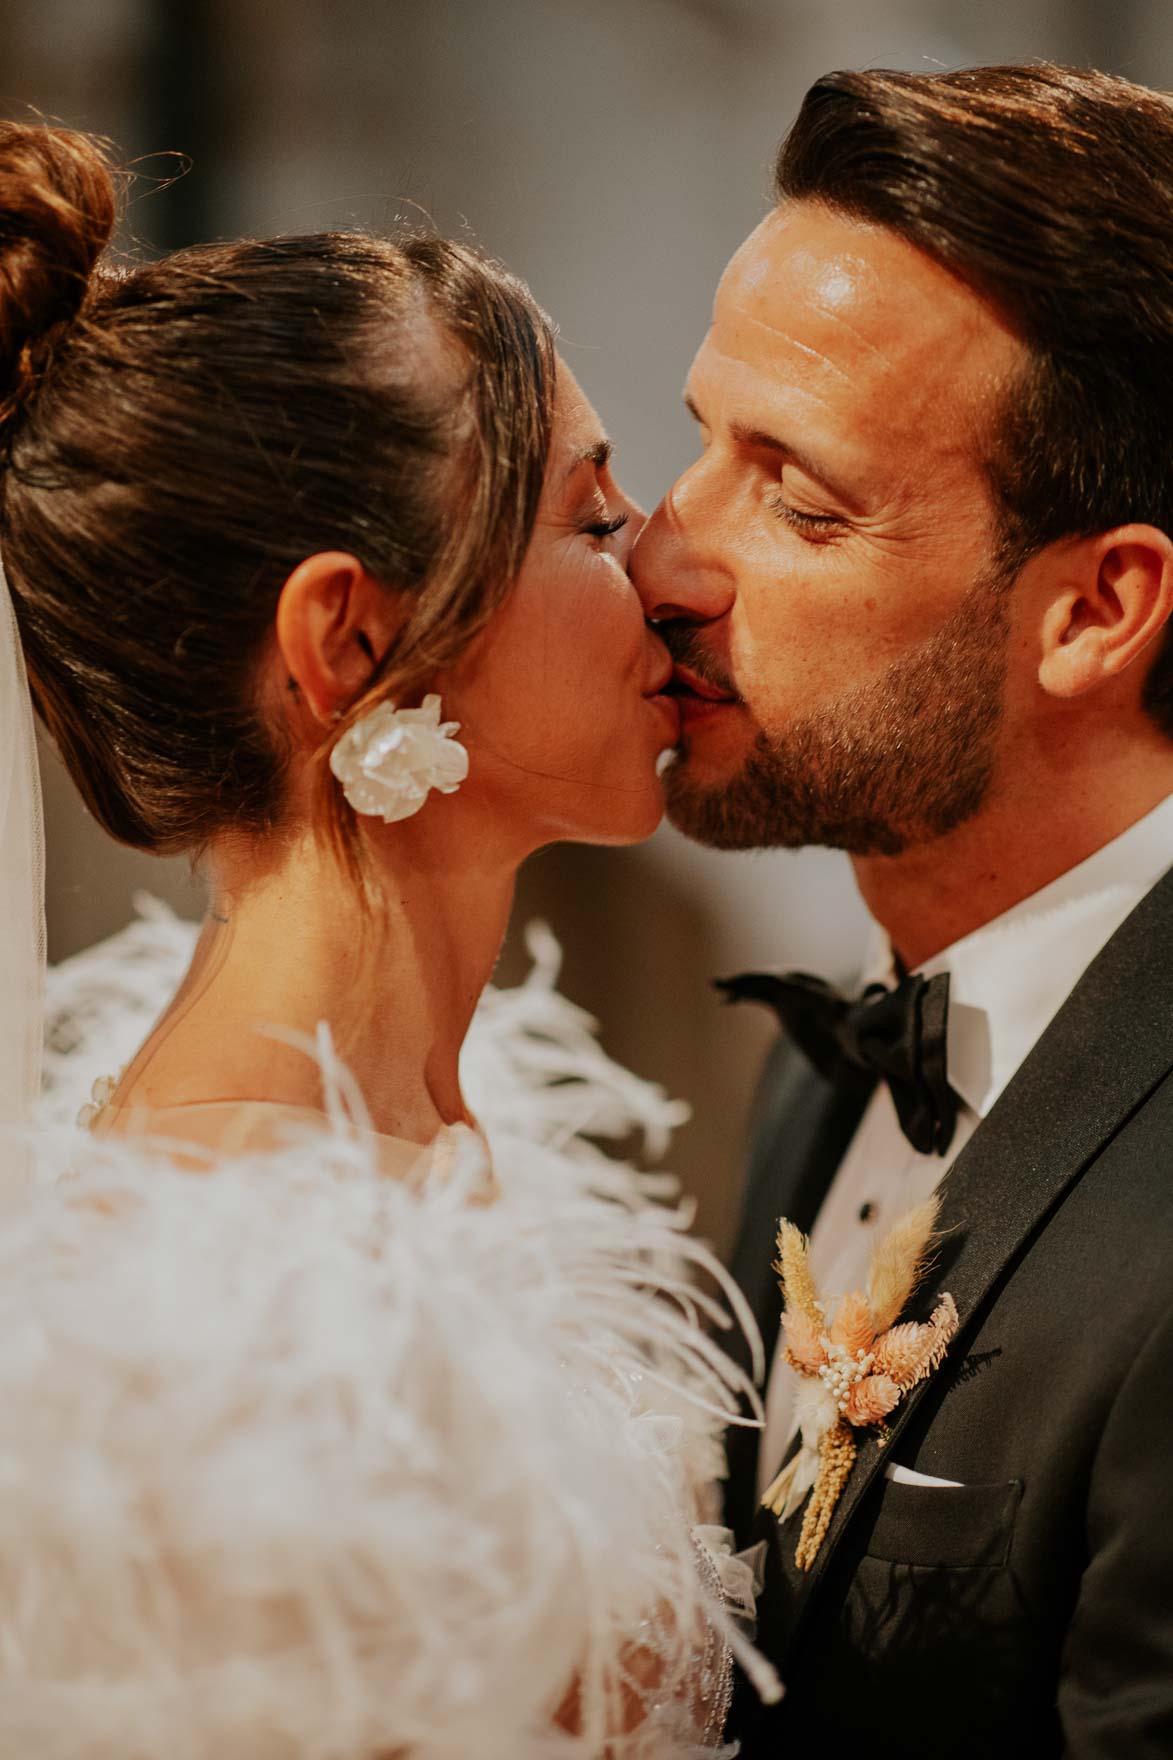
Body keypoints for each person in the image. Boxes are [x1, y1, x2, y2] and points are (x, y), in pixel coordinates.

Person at [0, 121, 778, 1756]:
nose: (661, 562)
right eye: (586, 516)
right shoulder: (223, 1330)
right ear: (350, 639)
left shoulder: (461, 1130)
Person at [631, 61, 1173, 1759]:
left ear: (1095, 608)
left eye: (799, 498)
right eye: (700, 441)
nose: (663, 557)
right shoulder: (832, 1051)